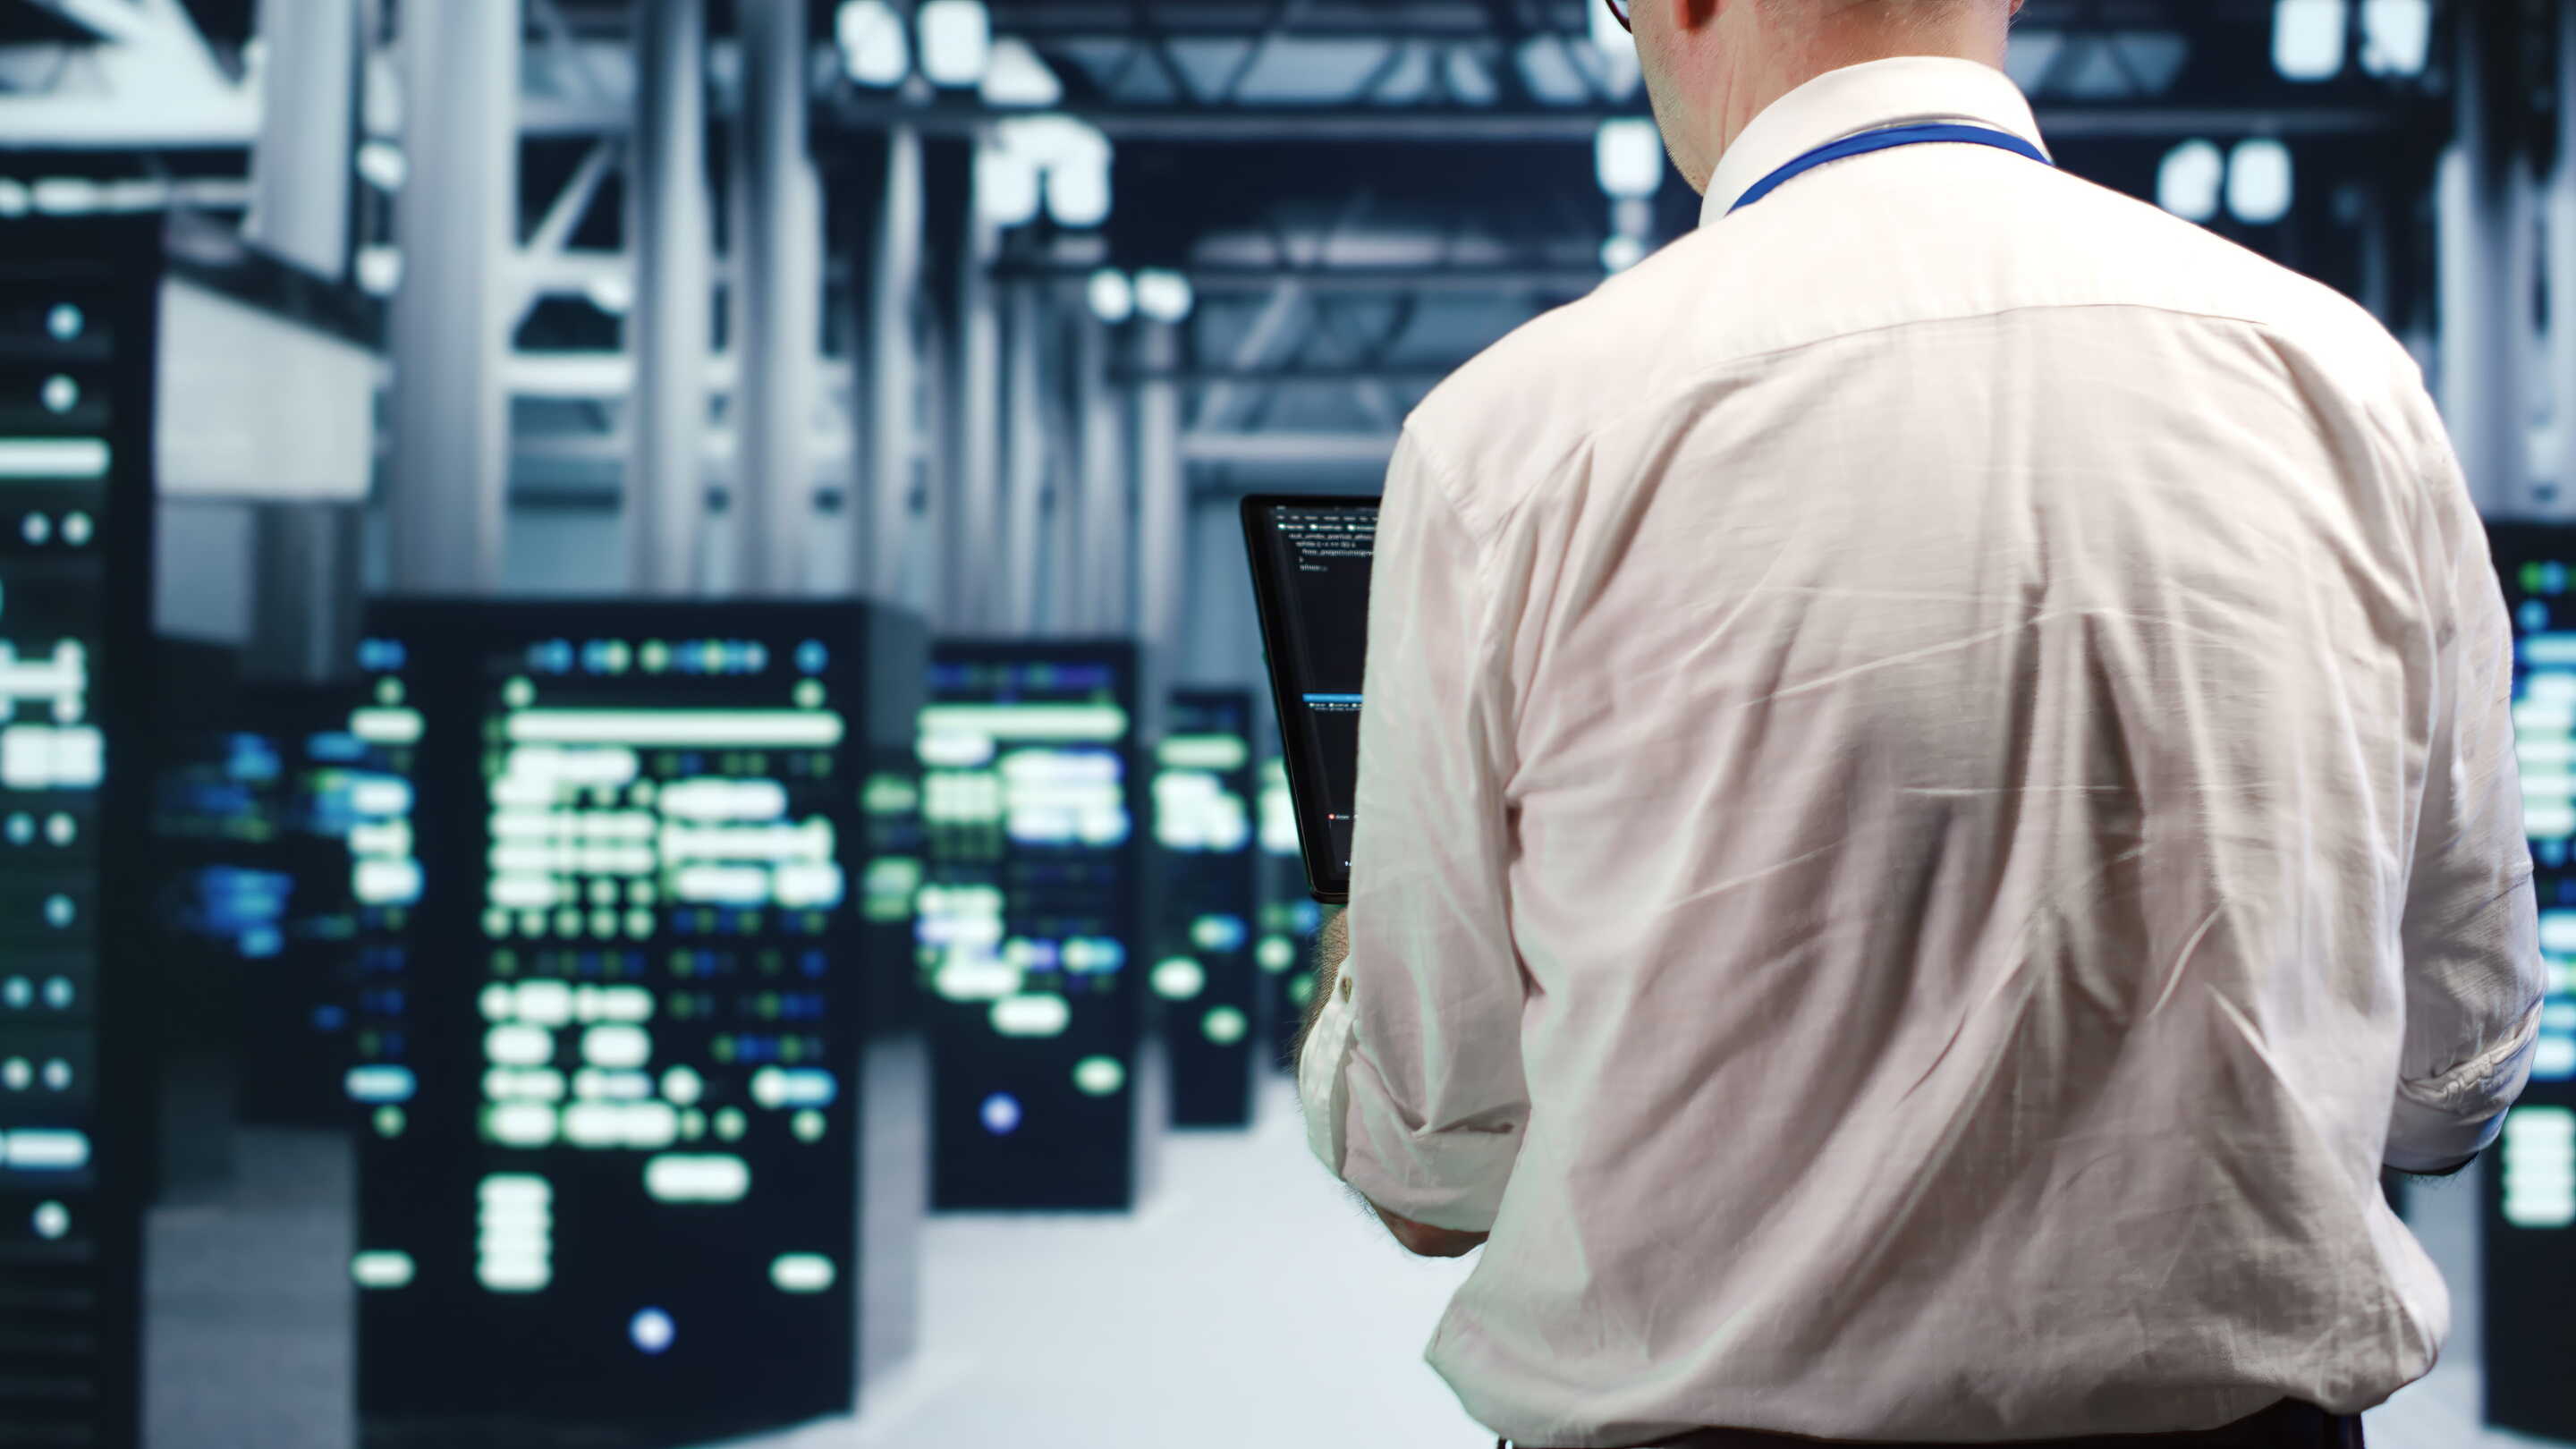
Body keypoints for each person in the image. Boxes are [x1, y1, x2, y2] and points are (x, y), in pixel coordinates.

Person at [1289, 1, 2546, 1446]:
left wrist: (1352, 975)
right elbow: (2450, 1084)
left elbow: (1436, 1169)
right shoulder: (2347, 385)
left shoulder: (1512, 441)